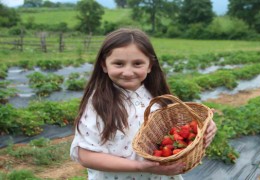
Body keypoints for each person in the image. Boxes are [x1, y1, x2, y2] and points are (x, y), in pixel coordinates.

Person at [70, 28, 217, 180]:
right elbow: (86, 156)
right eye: (119, 64)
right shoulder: (98, 104)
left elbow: (177, 130)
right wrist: (140, 166)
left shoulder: (156, 96)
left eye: (137, 63)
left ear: (150, 65)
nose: (128, 72)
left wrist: (205, 127)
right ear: (104, 65)